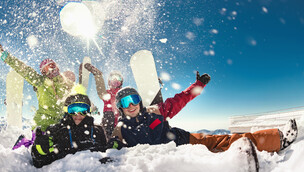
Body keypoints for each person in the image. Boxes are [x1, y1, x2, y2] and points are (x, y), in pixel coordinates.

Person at [108, 71, 298, 154]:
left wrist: (198, 85)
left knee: (223, 140)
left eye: (134, 99)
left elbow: (181, 99)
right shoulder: (120, 129)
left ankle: (276, 138)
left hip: (183, 139)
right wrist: (113, 147)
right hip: (167, 156)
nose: (131, 105)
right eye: (125, 102)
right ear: (120, 107)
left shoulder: (155, 111)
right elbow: (110, 148)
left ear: (140, 101)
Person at [0, 43, 76, 149]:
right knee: (44, 148)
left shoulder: (66, 84)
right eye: (46, 69)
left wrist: (92, 108)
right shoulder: (41, 82)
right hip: (44, 123)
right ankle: (24, 143)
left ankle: (29, 142)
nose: (51, 70)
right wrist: (4, 55)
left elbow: (78, 98)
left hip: (61, 124)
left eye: (52, 66)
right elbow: (24, 70)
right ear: (43, 73)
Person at [31, 90, 108, 168]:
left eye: (83, 111)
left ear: (88, 111)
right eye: (73, 110)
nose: (78, 114)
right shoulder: (57, 131)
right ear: (67, 111)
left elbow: (107, 153)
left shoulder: (97, 131)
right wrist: (39, 151)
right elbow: (40, 163)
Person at [84, 63, 124, 137]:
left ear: (121, 82)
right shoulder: (107, 93)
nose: (115, 80)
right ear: (109, 82)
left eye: (118, 78)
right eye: (113, 78)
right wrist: (97, 75)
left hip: (121, 121)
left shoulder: (124, 93)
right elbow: (101, 90)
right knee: (108, 118)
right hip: (108, 120)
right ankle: (106, 137)